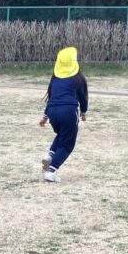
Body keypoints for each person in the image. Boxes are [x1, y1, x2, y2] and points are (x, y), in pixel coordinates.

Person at [39, 47, 88, 184]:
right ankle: (52, 171)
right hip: (69, 112)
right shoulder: (78, 79)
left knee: (61, 135)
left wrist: (45, 116)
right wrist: (83, 113)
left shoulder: (55, 80)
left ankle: (50, 156)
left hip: (53, 113)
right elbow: (83, 98)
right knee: (67, 144)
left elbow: (51, 99)